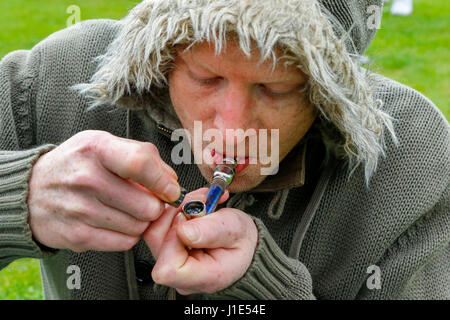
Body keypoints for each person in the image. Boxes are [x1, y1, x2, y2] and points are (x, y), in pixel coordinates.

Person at [0, 0, 448, 300]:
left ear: (329, 91)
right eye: (205, 78)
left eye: (275, 89)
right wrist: (18, 192)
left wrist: (264, 286)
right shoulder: (53, 78)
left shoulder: (414, 157)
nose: (231, 133)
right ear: (163, 56)